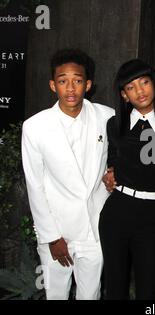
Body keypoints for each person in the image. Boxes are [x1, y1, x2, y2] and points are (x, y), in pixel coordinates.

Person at [21, 49, 114, 300]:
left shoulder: (107, 117)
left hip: (95, 228)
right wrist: (51, 237)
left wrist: (113, 173)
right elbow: (35, 185)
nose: (70, 88)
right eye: (63, 81)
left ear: (88, 84)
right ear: (53, 85)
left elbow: (121, 157)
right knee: (57, 295)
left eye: (77, 80)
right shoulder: (35, 127)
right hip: (57, 230)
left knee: (91, 295)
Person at [99, 59, 155, 300]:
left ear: (154, 85)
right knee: (115, 286)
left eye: (144, 82)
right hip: (117, 212)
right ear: (124, 95)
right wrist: (110, 171)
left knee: (148, 288)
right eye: (131, 87)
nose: (140, 91)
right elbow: (112, 158)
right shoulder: (114, 125)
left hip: (151, 215)